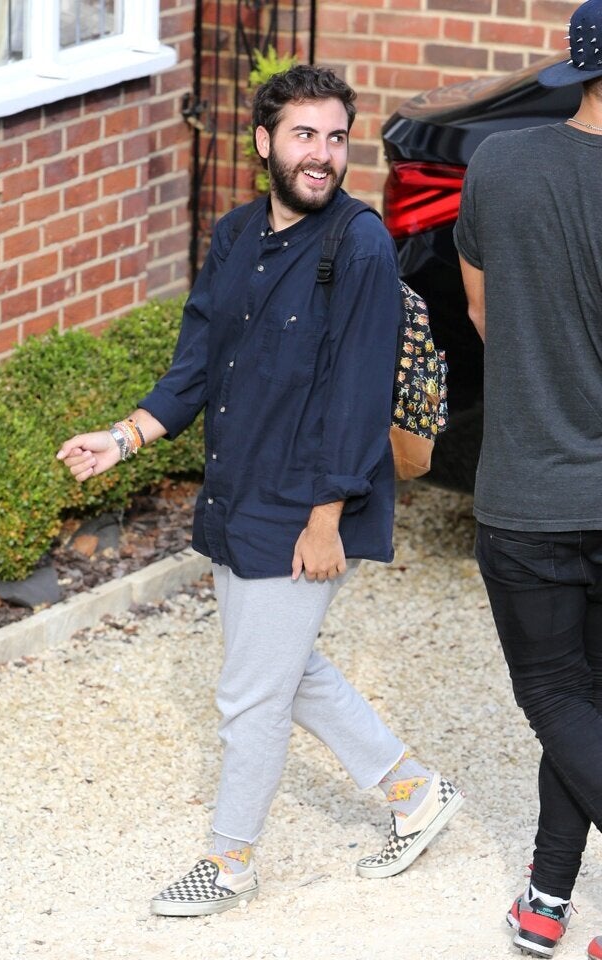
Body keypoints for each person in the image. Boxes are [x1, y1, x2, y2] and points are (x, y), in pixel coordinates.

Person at [58, 65, 464, 917]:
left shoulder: (358, 241)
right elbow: (197, 364)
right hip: (236, 493)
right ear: (264, 143)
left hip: (306, 501)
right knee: (283, 668)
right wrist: (125, 436)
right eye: (305, 136)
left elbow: (357, 396)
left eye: (335, 138)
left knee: (248, 692)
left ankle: (230, 862)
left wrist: (326, 522)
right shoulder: (236, 235)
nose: (322, 156)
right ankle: (415, 792)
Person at [454, 2, 602, 957]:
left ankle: (548, 896)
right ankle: (548, 895)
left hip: (533, 498)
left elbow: (479, 310)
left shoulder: (501, 165)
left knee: (558, 696)